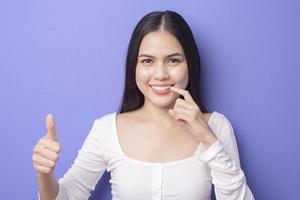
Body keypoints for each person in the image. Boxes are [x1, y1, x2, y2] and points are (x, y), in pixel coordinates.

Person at [32, 10, 255, 200]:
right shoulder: (107, 130)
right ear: (134, 67)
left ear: (190, 64)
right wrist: (44, 174)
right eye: (147, 61)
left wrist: (207, 138)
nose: (160, 74)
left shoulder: (216, 127)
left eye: (173, 60)